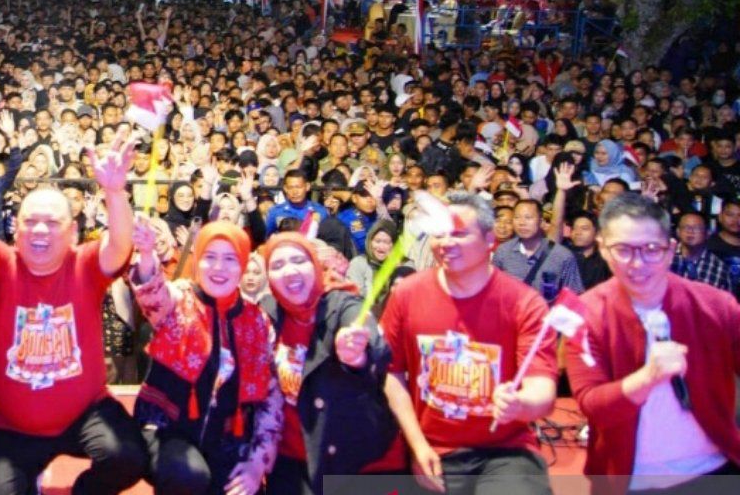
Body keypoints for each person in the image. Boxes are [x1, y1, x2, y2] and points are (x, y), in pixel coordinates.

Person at [0, 107, 147, 495]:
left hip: (85, 414)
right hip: (12, 427)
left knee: (129, 458)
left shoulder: (84, 264)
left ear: (73, 231)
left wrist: (115, 191)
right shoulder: (0, 265)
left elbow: (120, 244)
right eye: (30, 220)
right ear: (15, 227)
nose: (39, 230)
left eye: (52, 223)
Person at [380, 192, 558, 495]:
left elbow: (543, 392)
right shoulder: (407, 294)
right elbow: (391, 373)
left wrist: (521, 404)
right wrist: (417, 445)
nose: (446, 243)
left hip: (506, 449)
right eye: (439, 234)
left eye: (460, 233)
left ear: (490, 239)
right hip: (433, 448)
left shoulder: (523, 302)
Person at [565, 194, 740, 491]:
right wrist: (647, 378)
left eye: (651, 249)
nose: (637, 263)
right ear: (604, 250)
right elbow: (592, 405)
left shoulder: (716, 305)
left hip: (713, 468)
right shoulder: (585, 314)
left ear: (671, 250)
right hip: (628, 477)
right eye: (623, 250)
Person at [130, 218, 282, 495]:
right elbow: (152, 294)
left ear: (244, 265)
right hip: (168, 432)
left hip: (228, 440)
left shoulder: (258, 322)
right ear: (197, 260)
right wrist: (147, 254)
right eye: (210, 257)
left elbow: (270, 404)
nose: (219, 267)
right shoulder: (179, 300)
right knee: (189, 476)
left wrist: (257, 465)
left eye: (230, 258)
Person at [261, 231, 398, 493]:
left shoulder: (341, 302)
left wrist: (357, 353)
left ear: (315, 265)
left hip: (345, 460)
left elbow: (372, 343)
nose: (289, 271)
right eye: (277, 265)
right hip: (287, 460)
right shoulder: (268, 310)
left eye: (299, 260)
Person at [492, 199, 584, 303]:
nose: (522, 223)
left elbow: (574, 296)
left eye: (528, 218)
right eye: (517, 217)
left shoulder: (562, 255)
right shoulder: (503, 251)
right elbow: (493, 290)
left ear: (541, 221)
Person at [669, 211, 733, 293]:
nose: (690, 231)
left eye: (697, 228)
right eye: (686, 227)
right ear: (678, 232)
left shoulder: (720, 269)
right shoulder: (665, 258)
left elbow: (725, 303)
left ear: (708, 233)